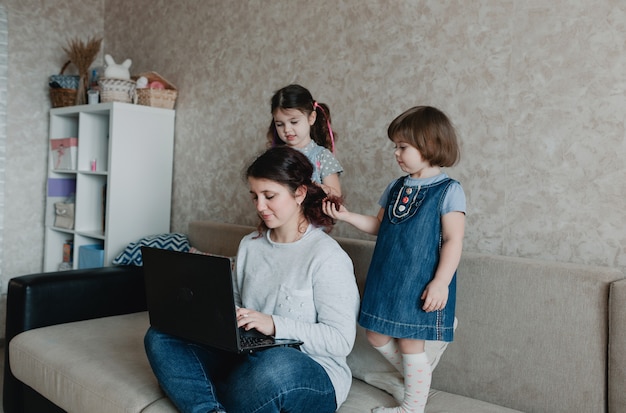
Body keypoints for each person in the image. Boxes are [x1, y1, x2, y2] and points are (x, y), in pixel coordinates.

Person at [144, 146, 360, 413]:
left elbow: (340, 340)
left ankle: (215, 391)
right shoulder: (250, 245)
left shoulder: (327, 256)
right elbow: (235, 302)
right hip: (248, 356)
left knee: (276, 366)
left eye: (269, 196)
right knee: (160, 335)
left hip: (309, 371)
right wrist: (214, 317)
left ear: (300, 193)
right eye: (254, 196)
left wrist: (273, 324)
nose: (260, 207)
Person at [323, 106, 466, 413]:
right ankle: (416, 376)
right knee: (375, 333)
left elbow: (454, 240)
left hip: (421, 280)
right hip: (387, 275)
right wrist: (346, 216)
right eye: (395, 147)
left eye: (403, 147)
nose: (396, 153)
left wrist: (441, 282)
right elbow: (379, 226)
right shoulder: (396, 187)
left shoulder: (449, 191)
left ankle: (412, 407)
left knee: (410, 341)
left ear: (429, 145)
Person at [266, 84, 343, 197]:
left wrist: (315, 188)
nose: (287, 129)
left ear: (311, 118)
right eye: (280, 124)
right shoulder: (275, 157)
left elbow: (336, 196)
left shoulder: (322, 156)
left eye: (294, 122)